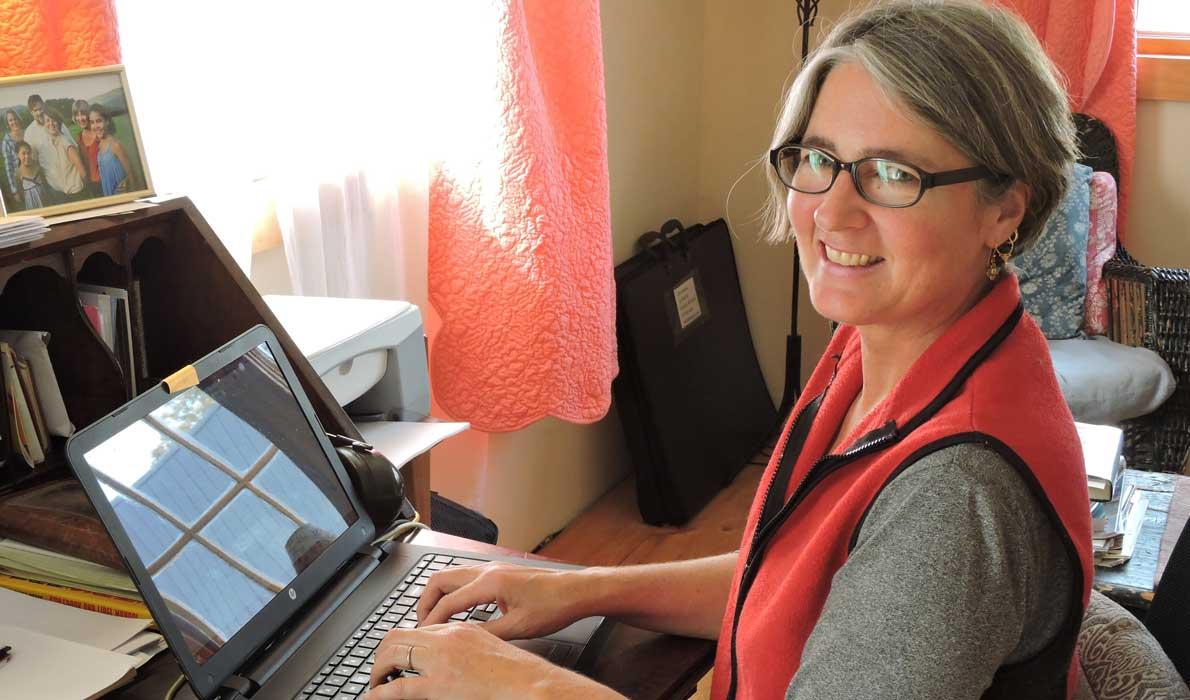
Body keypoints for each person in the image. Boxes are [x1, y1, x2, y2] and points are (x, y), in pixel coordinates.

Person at [367, 2, 1093, 698]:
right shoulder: (887, 344)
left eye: (894, 174)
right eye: (820, 159)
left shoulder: (954, 494)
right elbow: (797, 582)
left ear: (1005, 209)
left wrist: (513, 683)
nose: (832, 212)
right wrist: (579, 588)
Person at [39, 108, 87, 199]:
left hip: (75, 193)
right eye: (47, 121)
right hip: (62, 193)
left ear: (59, 122)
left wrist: (84, 187)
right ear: (44, 124)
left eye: (54, 120)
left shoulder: (66, 143)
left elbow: (83, 172)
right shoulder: (50, 142)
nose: (51, 124)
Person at [89, 105, 135, 196]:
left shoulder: (115, 145)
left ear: (107, 121)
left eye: (98, 121)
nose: (95, 126)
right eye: (92, 122)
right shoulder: (100, 144)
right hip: (108, 192)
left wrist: (127, 181)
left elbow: (132, 176)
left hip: (119, 194)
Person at [23, 94, 75, 166]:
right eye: (35, 110)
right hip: (49, 175)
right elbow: (31, 159)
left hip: (68, 171)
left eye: (40, 108)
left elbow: (72, 144)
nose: (39, 112)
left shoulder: (56, 123)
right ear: (31, 112)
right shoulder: (29, 133)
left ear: (44, 106)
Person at [72, 99, 102, 195]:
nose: (80, 118)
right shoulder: (79, 138)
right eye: (77, 115)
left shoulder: (99, 133)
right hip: (92, 186)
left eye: (83, 114)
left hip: (106, 180)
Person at [15, 141, 50, 210]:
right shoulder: (18, 172)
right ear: (17, 155)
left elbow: (44, 181)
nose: (27, 156)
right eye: (23, 153)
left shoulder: (37, 165)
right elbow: (20, 188)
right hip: (31, 200)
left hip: (43, 196)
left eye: (28, 153)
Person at [2, 109, 24, 207]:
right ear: (8, 123)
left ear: (19, 119)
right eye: (10, 120)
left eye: (15, 119)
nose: (14, 122)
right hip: (20, 182)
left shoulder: (27, 133)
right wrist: (14, 191)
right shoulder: (6, 141)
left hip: (35, 178)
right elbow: (8, 168)